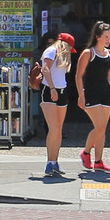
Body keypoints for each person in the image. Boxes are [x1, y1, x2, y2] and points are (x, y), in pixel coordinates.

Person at [77, 20, 110, 173]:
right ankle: (86, 152)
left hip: (105, 94)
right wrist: (81, 95)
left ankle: (98, 161)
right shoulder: (88, 53)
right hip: (91, 93)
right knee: (99, 126)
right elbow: (79, 76)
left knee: (103, 129)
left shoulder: (109, 54)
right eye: (106, 36)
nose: (108, 40)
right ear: (98, 37)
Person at [39, 32, 76, 178]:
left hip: (62, 89)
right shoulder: (51, 50)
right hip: (49, 90)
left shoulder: (61, 54)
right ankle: (49, 162)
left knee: (58, 129)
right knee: (53, 128)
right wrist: (53, 88)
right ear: (64, 44)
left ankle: (55, 162)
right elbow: (45, 69)